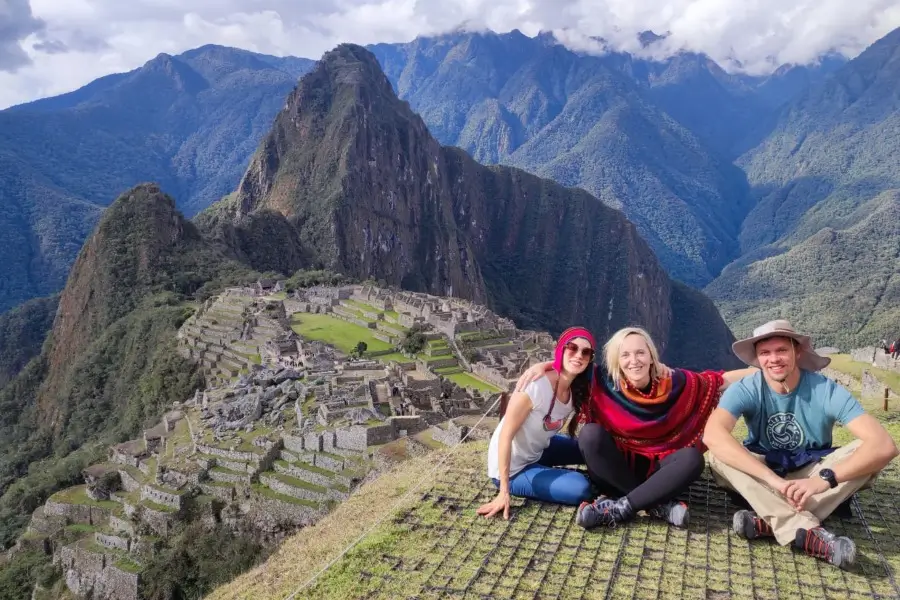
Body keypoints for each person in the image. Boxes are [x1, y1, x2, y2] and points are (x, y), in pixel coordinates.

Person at [703, 320, 899, 570]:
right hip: (765, 471)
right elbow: (713, 435)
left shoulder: (824, 389)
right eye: (765, 353)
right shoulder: (747, 388)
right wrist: (775, 482)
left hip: (814, 471)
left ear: (797, 351)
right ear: (757, 358)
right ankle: (804, 528)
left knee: (866, 454)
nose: (773, 359)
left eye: (781, 350)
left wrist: (823, 479)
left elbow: (884, 445)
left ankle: (771, 518)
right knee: (718, 457)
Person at [516, 326, 755, 529]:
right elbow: (572, 363)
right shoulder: (601, 380)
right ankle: (655, 504)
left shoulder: (675, 381)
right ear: (616, 361)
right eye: (626, 355)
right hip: (615, 469)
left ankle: (621, 508)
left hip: (657, 471)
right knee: (590, 435)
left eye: (640, 352)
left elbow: (720, 380)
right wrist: (545, 366)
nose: (634, 361)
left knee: (693, 459)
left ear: (652, 356)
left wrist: (765, 372)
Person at [476, 327, 596, 520]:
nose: (578, 355)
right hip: (515, 469)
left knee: (591, 449)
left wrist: (658, 368)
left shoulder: (577, 388)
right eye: (572, 348)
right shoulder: (535, 387)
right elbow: (505, 436)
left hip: (539, 450)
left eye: (586, 352)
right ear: (561, 350)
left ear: (590, 358)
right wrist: (504, 492)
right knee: (581, 489)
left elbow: (618, 373)